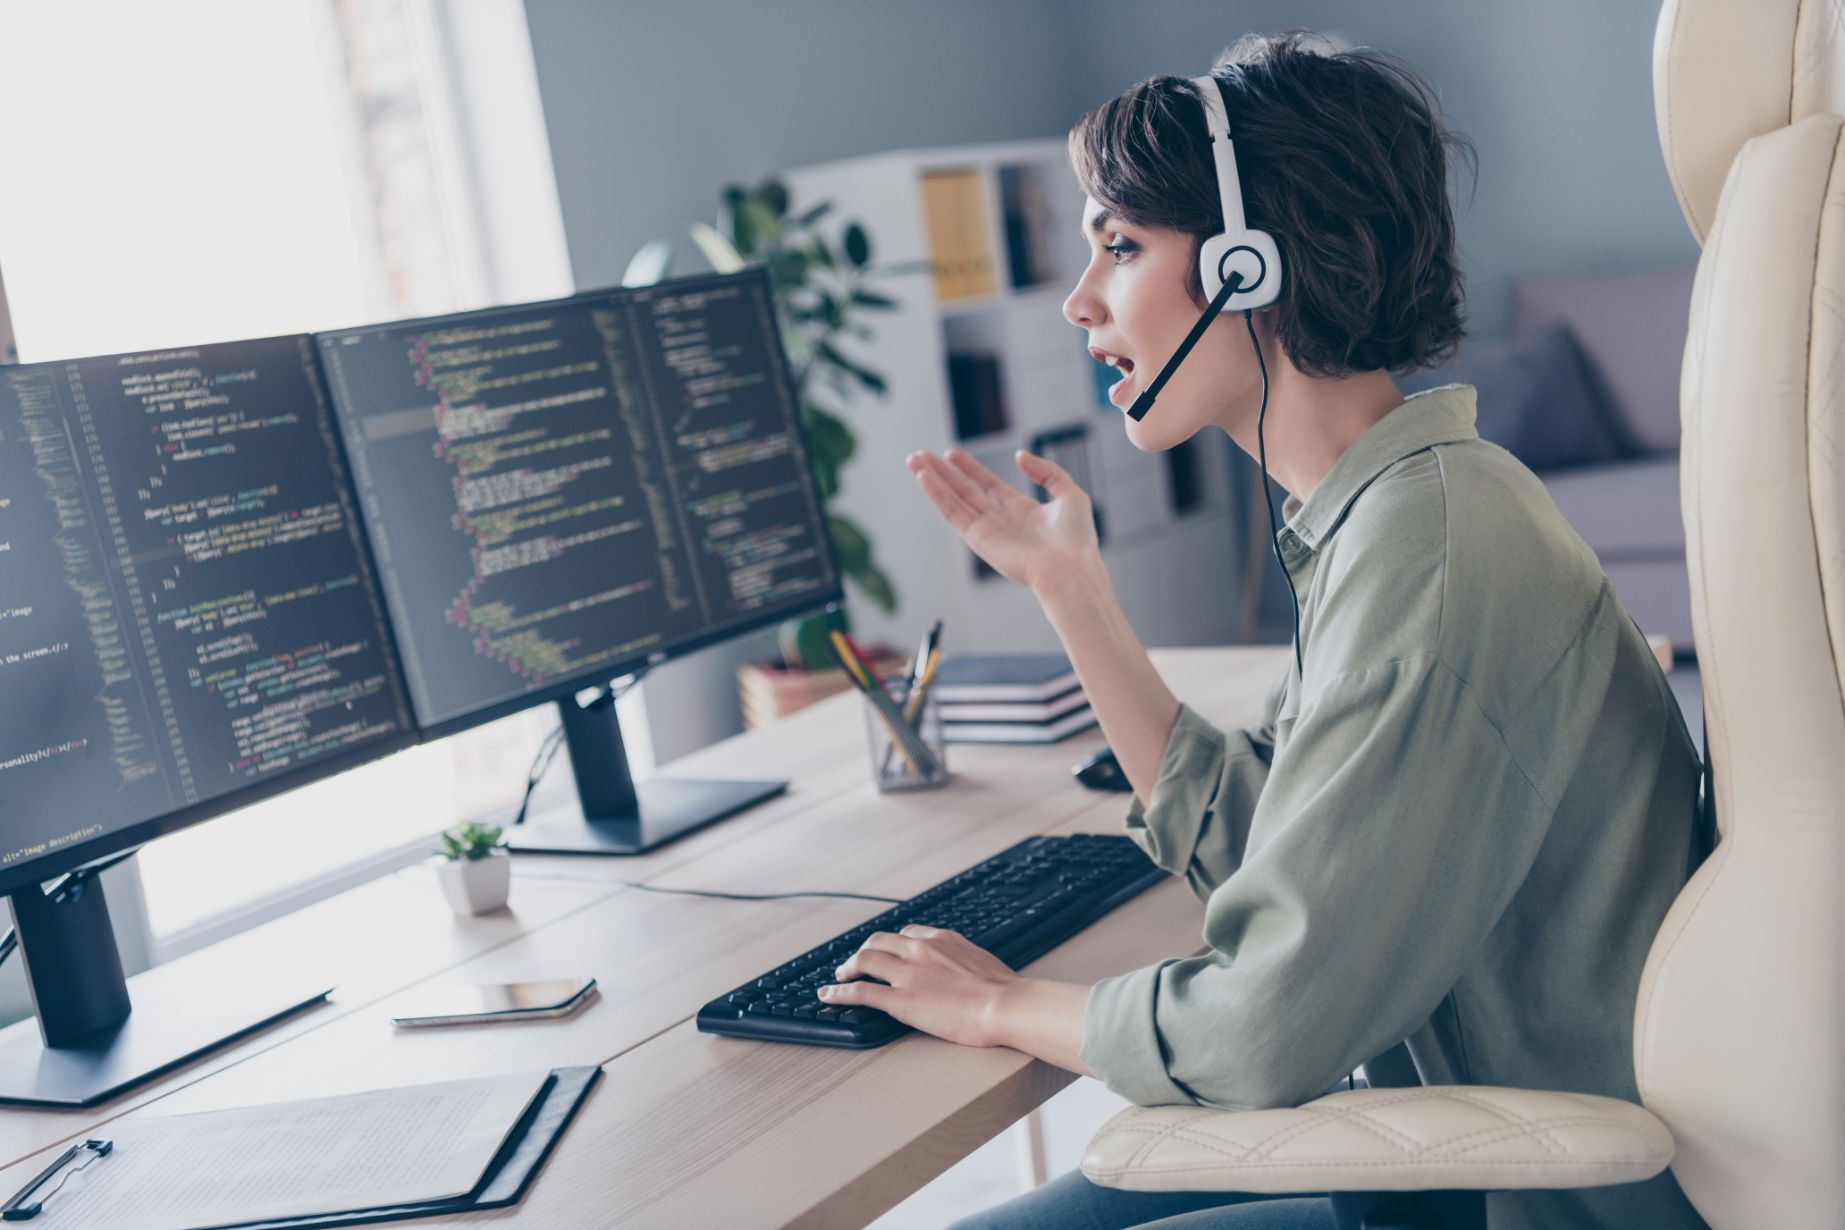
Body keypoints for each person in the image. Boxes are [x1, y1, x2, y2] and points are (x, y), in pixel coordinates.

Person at [815, 30, 1708, 1230]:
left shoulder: (1430, 551)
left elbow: (1263, 1026)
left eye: (1121, 246)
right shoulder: (1390, 515)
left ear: (1248, 267)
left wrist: (1003, 1006)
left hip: (1524, 1194)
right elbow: (1279, 857)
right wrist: (1072, 595)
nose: (1082, 302)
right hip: (1457, 1154)